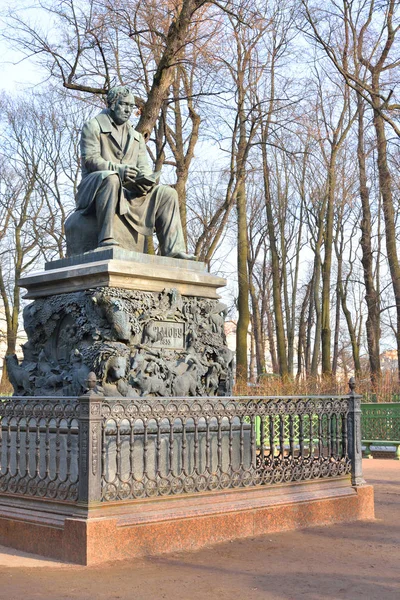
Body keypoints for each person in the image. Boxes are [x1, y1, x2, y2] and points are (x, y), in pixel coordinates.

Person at [75, 85, 195, 260]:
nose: (128, 110)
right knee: (111, 178)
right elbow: (90, 160)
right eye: (123, 104)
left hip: (129, 191)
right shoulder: (93, 126)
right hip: (96, 187)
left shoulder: (136, 136)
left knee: (168, 193)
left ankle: (173, 249)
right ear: (112, 104)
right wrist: (118, 170)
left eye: (131, 106)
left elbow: (144, 168)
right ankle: (106, 238)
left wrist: (146, 181)